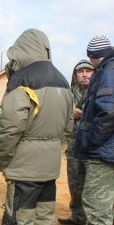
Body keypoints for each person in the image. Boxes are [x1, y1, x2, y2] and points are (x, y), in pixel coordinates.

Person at [0, 28, 73, 225]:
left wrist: (3, 159)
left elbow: (11, 128)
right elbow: (68, 125)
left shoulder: (20, 80)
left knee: (20, 218)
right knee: (44, 218)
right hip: (49, 167)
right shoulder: (63, 81)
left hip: (23, 168)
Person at [74, 35, 114, 225]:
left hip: (101, 152)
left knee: (97, 208)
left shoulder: (109, 70)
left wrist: (90, 140)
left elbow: (109, 112)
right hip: (105, 150)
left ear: (93, 56)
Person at [58, 60, 95, 225]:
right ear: (75, 75)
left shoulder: (100, 91)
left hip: (94, 150)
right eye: (81, 71)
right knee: (75, 186)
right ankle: (77, 218)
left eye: (88, 71)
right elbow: (58, 117)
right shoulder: (68, 95)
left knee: (94, 189)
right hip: (73, 149)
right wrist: (69, 114)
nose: (85, 74)